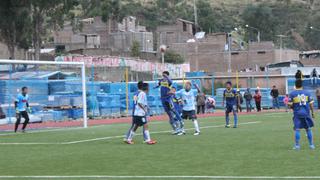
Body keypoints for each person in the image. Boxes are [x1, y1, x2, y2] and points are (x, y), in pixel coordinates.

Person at [288, 79, 315, 150]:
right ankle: (311, 145)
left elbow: (290, 105)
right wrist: (312, 112)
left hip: (297, 114)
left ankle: (297, 146)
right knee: (308, 129)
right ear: (302, 85)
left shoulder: (292, 94)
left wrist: (292, 106)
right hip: (306, 113)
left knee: (297, 129)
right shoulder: (307, 93)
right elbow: (311, 104)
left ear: (295, 85)